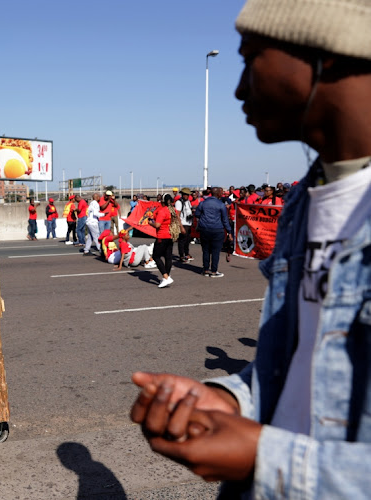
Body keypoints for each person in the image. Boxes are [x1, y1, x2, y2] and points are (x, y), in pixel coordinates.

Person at [130, 0, 371, 497]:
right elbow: (298, 367)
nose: (239, 88)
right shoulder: (307, 199)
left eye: (251, 57)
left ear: (325, 53)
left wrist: (266, 457)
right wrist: (230, 400)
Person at [194, 187, 232, 277]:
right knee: (215, 251)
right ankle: (214, 271)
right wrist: (229, 232)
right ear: (218, 194)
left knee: (206, 250)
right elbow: (225, 220)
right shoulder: (221, 205)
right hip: (217, 230)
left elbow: (197, 214)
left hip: (205, 229)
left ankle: (206, 270)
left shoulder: (203, 203)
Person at [148, 194, 177, 288]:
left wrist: (150, 223)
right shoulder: (173, 210)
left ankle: (166, 276)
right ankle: (166, 277)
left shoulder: (163, 211)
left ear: (163, 201)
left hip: (162, 236)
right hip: (170, 235)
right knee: (168, 257)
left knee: (156, 256)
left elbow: (157, 225)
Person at [175, 188, 193, 262]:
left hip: (189, 223)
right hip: (183, 223)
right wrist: (181, 226)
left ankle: (186, 253)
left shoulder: (188, 202)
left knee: (187, 240)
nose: (187, 196)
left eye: (188, 195)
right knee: (182, 240)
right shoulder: (179, 202)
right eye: (185, 194)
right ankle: (181, 255)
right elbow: (177, 215)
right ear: (182, 194)